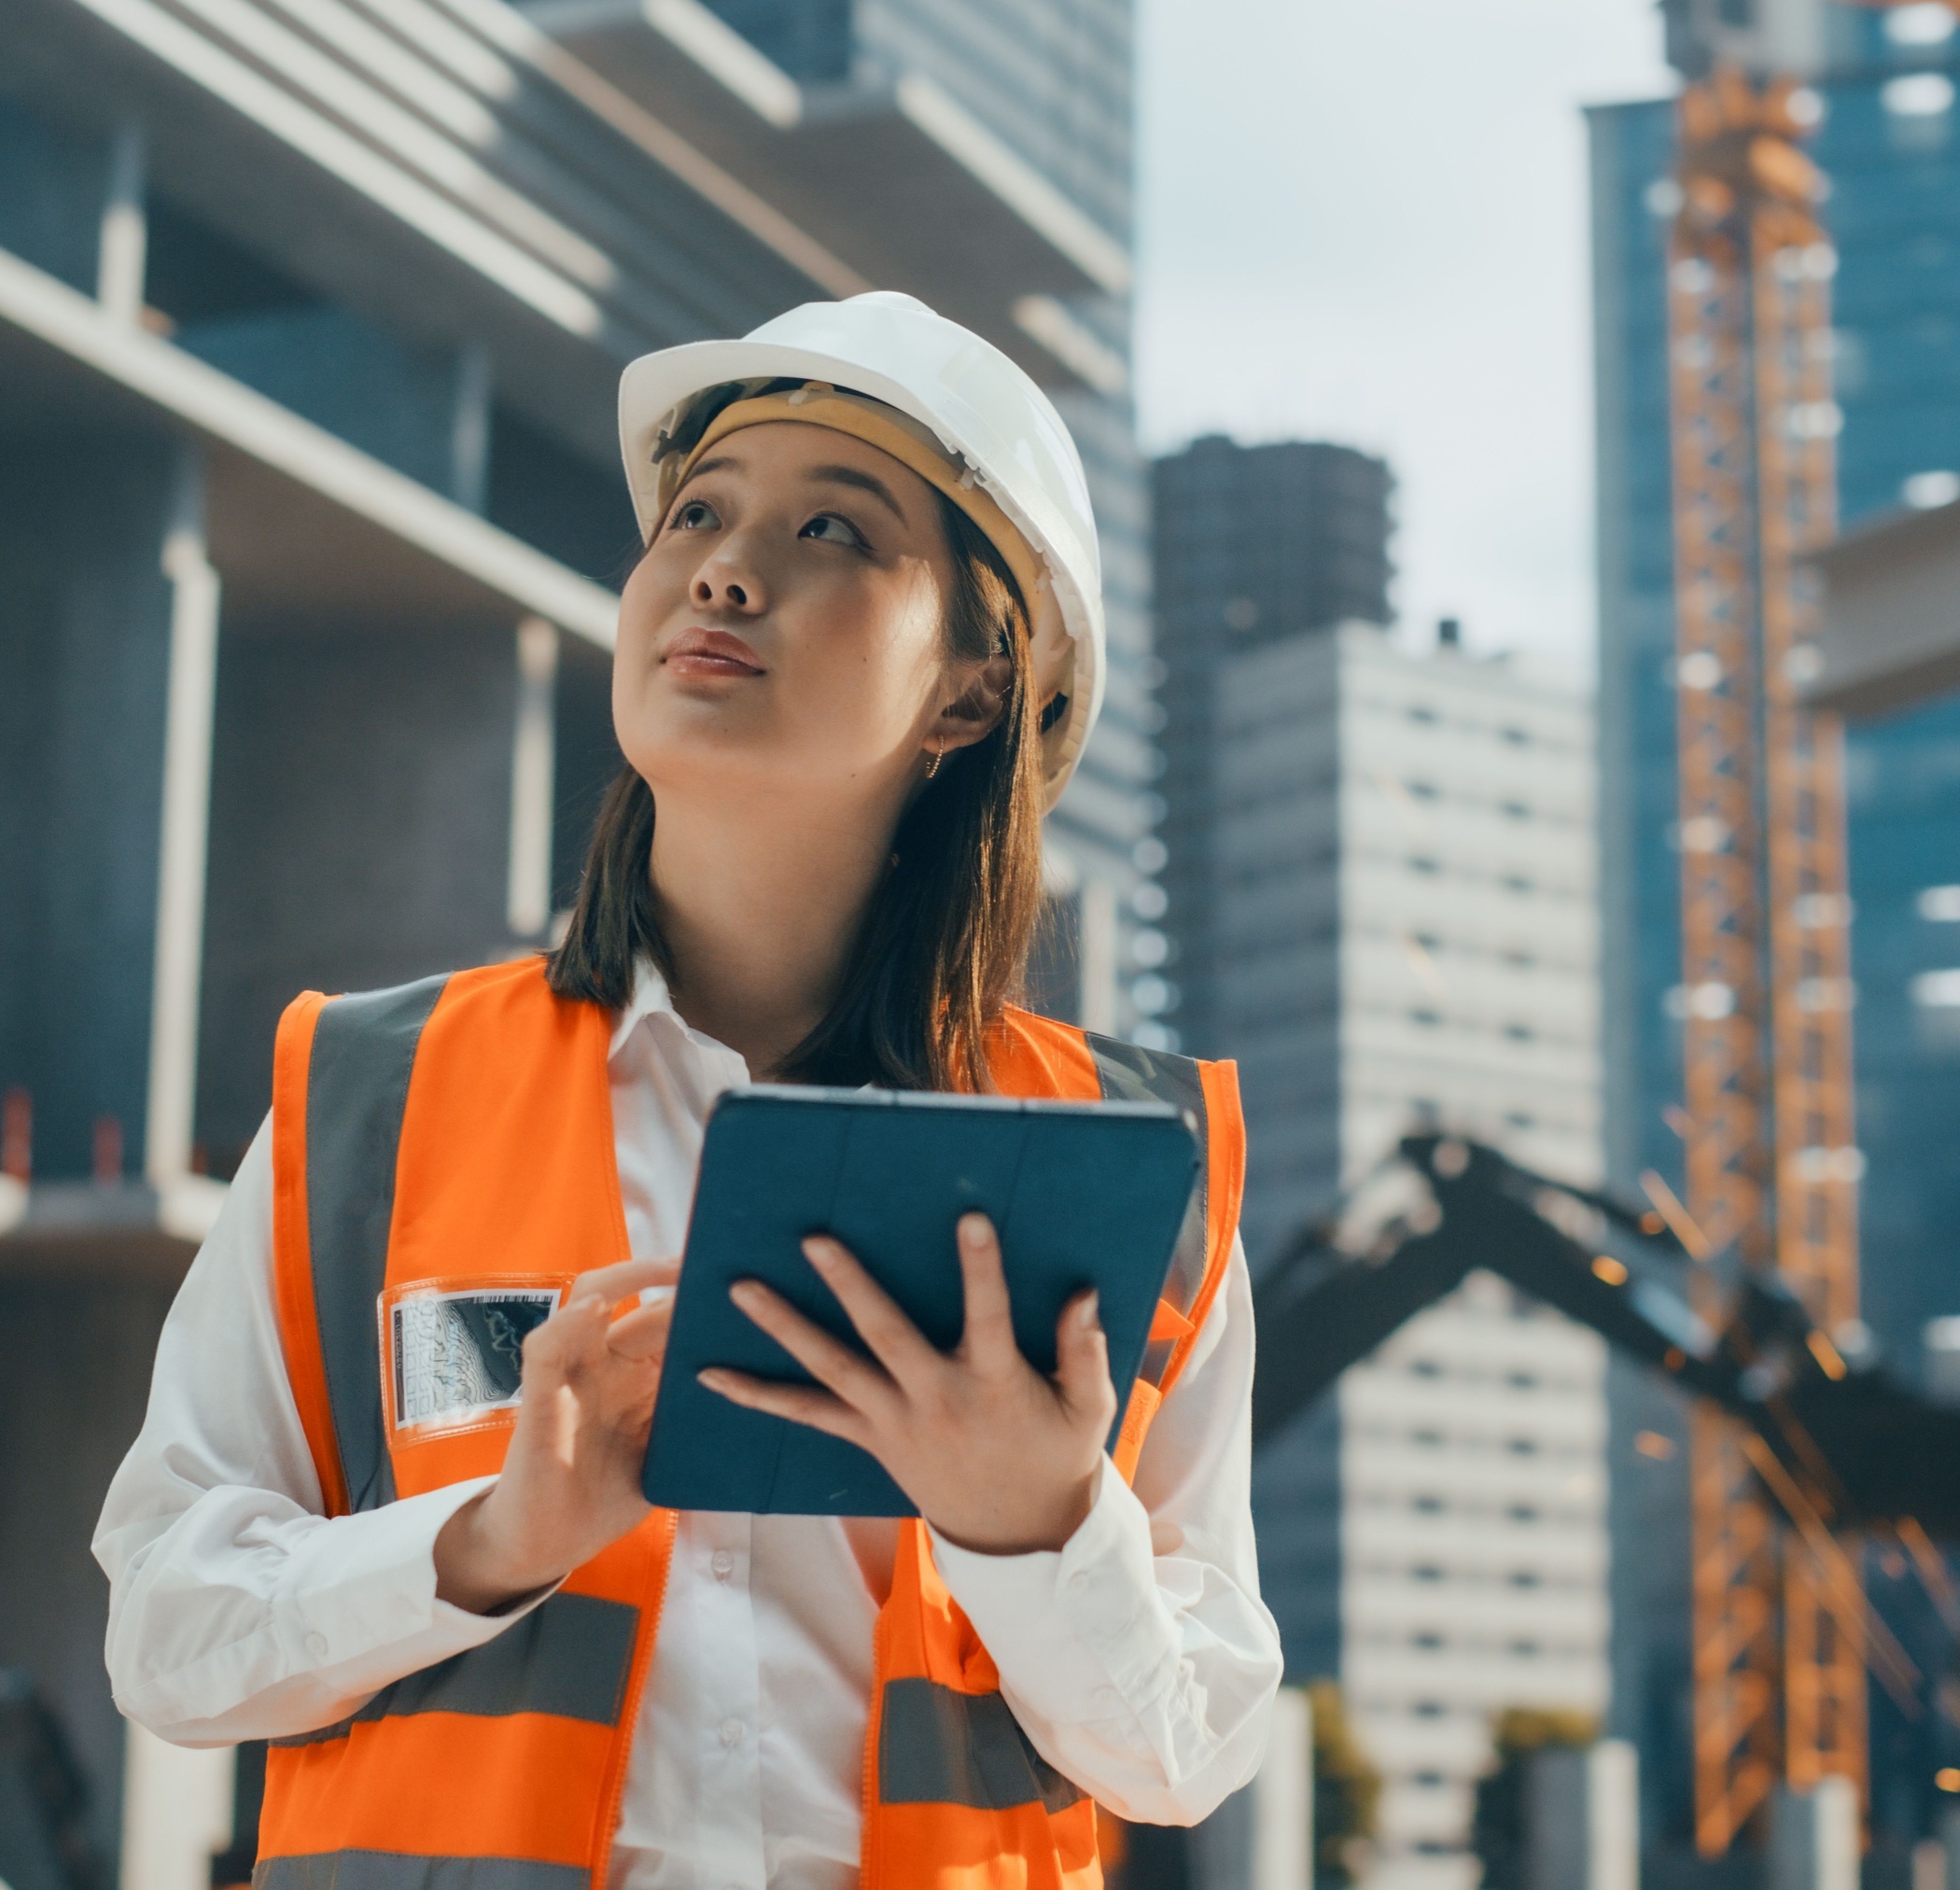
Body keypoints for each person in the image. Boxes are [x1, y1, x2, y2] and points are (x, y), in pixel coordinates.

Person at [95, 291, 1279, 1890]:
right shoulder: (369, 1099)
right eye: (701, 512)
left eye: (835, 532)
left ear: (973, 692)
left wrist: (1040, 1525)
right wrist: (481, 1544)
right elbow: (165, 1635)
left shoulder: (1128, 1167)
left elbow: (1189, 1749)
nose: (727, 566)